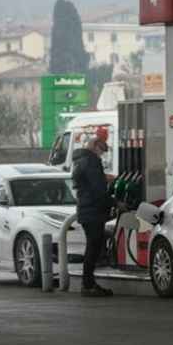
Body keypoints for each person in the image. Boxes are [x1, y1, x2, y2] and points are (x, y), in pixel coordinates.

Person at [71, 126, 114, 297]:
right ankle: (88, 284)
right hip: (93, 211)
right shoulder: (91, 161)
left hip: (86, 209)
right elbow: (97, 189)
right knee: (93, 248)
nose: (101, 154)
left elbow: (90, 183)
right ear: (95, 146)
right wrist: (115, 203)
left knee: (93, 246)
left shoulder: (81, 160)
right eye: (101, 150)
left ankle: (88, 283)